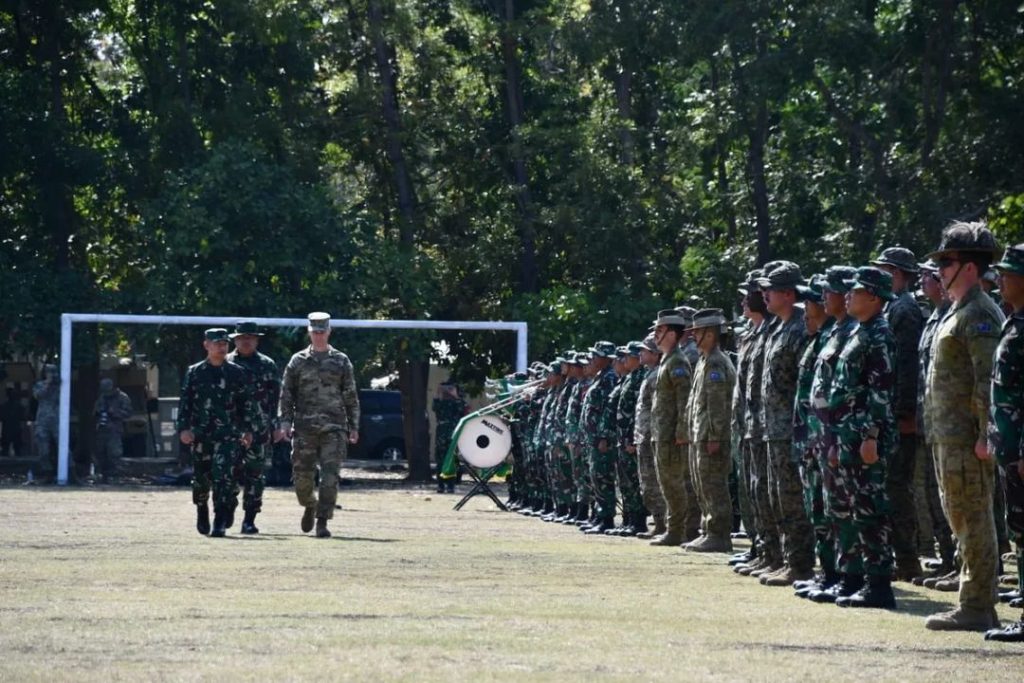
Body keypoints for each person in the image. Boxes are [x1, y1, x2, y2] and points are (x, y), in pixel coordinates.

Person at [923, 221, 1005, 632]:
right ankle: (970, 594)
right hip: (948, 437)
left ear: (969, 267)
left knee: (974, 515)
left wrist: (985, 434)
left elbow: (987, 378)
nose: (940, 270)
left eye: (947, 262)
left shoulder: (980, 313)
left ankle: (977, 604)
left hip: (967, 439)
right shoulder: (956, 311)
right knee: (960, 514)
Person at [827, 267, 899, 609]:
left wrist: (871, 436)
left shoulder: (879, 335)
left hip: (865, 437)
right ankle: (860, 579)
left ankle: (880, 586)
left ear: (873, 296)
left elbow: (881, 392)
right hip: (848, 436)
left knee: (871, 510)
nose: (848, 296)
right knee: (856, 509)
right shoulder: (860, 330)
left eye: (855, 291)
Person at [276, 312, 360, 539]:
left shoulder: (341, 360)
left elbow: (350, 395)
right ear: (309, 333)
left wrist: (354, 425)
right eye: (315, 332)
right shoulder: (298, 361)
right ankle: (309, 505)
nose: (319, 336)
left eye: (323, 332)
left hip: (334, 427)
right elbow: (286, 395)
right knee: (302, 480)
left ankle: (322, 521)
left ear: (329, 332)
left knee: (330, 477)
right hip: (304, 428)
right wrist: (285, 422)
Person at [757, 261, 815, 586]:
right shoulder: (778, 328)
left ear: (789, 293)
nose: (765, 295)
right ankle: (785, 558)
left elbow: (800, 385)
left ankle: (801, 564)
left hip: (791, 430)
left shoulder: (798, 328)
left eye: (771, 290)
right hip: (773, 429)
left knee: (793, 498)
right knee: (778, 496)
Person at [871, 246, 926, 580]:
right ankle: (900, 558)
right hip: (891, 411)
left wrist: (904, 411)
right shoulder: (894, 306)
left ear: (900, 274)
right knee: (890, 487)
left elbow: (906, 363)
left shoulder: (903, 309)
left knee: (896, 487)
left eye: (887, 271)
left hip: (899, 414)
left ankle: (907, 559)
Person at [176, 329, 255, 537]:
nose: (222, 347)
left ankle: (220, 519)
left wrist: (247, 430)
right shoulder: (195, 372)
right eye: (217, 343)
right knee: (201, 480)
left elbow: (245, 404)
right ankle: (202, 510)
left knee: (224, 478)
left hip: (228, 435)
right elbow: (186, 403)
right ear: (206, 345)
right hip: (201, 435)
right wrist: (183, 429)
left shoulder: (236, 373)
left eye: (224, 343)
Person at [985, 242, 1024, 642]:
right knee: (1019, 529)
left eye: (1009, 274)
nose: (1001, 280)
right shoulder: (1015, 321)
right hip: (1010, 448)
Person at [913, 261, 957, 584]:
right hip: (933, 421)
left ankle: (959, 562)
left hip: (953, 424)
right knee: (935, 493)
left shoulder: (954, 314)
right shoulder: (934, 317)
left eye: (930, 275)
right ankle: (948, 559)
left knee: (954, 498)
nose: (925, 280)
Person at [684, 308, 737, 553]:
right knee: (702, 484)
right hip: (700, 433)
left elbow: (718, 404)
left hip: (711, 435)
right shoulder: (705, 360)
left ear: (711, 333)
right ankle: (708, 530)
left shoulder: (716, 360)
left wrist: (715, 435)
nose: (693, 336)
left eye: (697, 332)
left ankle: (719, 533)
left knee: (714, 485)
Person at [649, 308, 701, 546]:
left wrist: (682, 431)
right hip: (663, 432)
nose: (655, 335)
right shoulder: (667, 361)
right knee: (667, 483)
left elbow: (684, 400)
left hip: (672, 435)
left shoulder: (678, 361)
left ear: (672, 333)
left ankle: (678, 530)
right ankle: (675, 528)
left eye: (660, 330)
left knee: (675, 484)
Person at [227, 321, 281, 534]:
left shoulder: (267, 365)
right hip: (230, 430)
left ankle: (249, 519)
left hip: (259, 430)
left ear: (257, 340)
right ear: (235, 340)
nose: (246, 341)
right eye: (242, 337)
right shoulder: (225, 363)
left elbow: (276, 398)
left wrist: (276, 426)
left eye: (250, 337)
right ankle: (227, 511)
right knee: (227, 474)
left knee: (255, 476)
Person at [580, 341, 619, 534]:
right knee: (595, 477)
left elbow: (607, 411)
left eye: (596, 356)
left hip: (602, 438)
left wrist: (603, 436)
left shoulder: (609, 378)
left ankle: (607, 518)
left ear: (605, 358)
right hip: (593, 438)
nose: (592, 359)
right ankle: (599, 515)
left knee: (603, 478)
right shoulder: (601, 377)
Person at [634, 335, 666, 539]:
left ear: (654, 354)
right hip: (644, 435)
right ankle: (659, 523)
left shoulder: (657, 375)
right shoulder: (649, 374)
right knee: (647, 483)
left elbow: (658, 408)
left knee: (656, 481)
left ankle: (664, 524)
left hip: (653, 434)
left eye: (644, 350)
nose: (640, 354)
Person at [93, 378, 133, 482]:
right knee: (100, 453)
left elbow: (128, 413)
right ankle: (102, 476)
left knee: (114, 454)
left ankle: (115, 476)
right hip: (102, 428)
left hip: (114, 430)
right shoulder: (102, 397)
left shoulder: (122, 397)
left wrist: (115, 412)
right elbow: (97, 409)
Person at [433, 382, 468, 494]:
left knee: (452, 460)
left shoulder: (458, 402)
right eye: (446, 389)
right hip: (441, 434)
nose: (447, 391)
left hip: (454, 433)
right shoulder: (440, 402)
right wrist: (439, 391)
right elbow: (434, 407)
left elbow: (462, 409)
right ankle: (441, 485)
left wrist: (455, 394)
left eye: (450, 388)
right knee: (440, 460)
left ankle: (451, 485)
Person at [31, 364, 60, 482]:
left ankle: (70, 471)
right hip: (43, 421)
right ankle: (48, 473)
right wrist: (48, 383)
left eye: (53, 372)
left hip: (58, 421)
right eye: (49, 372)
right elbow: (38, 396)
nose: (51, 374)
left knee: (63, 448)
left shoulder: (61, 386)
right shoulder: (40, 385)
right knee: (43, 450)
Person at [1, 388, 26, 457]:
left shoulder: (19, 406)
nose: (13, 396)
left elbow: (23, 417)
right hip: (9, 428)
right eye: (12, 394)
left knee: (17, 449)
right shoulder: (4, 406)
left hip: (13, 428)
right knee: (6, 449)